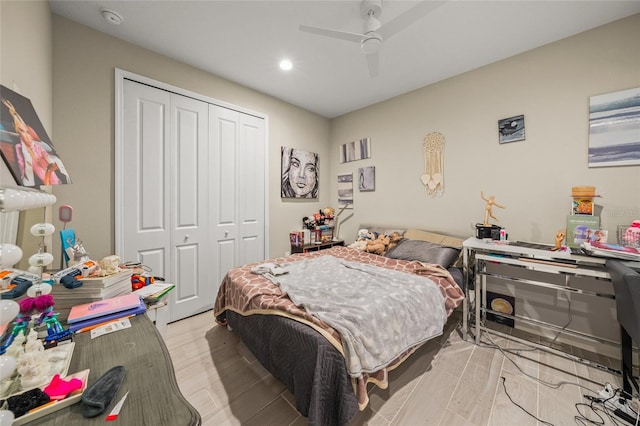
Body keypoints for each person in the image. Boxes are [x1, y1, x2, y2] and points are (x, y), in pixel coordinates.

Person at [2, 98, 68, 186]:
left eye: (28, 133)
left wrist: (51, 163)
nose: (27, 136)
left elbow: (47, 157)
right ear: (19, 134)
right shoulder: (19, 148)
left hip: (54, 179)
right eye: (22, 132)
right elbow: (25, 173)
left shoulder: (38, 147)